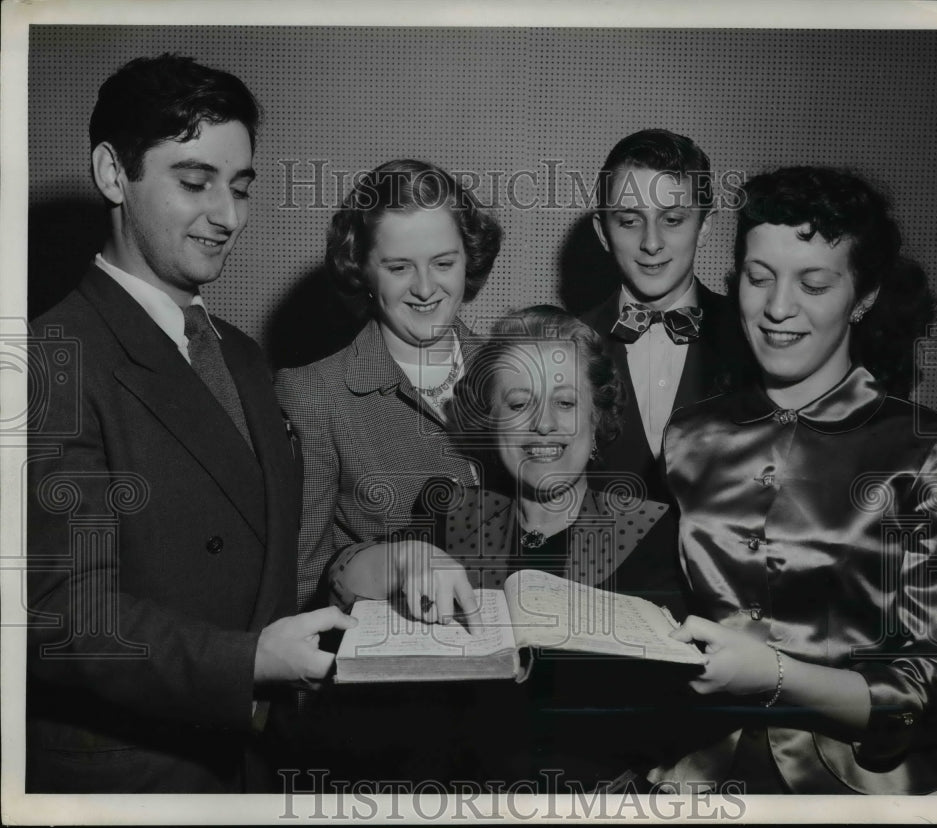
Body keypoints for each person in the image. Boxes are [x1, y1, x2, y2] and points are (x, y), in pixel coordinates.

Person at [25, 54, 356, 794]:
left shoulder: (238, 353)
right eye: (195, 182)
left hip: (248, 769)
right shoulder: (50, 361)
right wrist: (246, 664)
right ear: (114, 175)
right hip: (131, 782)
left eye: (240, 189)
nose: (229, 217)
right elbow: (58, 616)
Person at [648, 167, 937, 795]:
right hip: (707, 779)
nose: (776, 309)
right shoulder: (686, 436)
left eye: (814, 283)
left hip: (873, 791)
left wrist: (775, 674)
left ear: (864, 297)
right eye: (759, 276)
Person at [332, 306, 695, 787]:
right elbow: (342, 586)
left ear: (598, 420)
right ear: (493, 418)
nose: (543, 425)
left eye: (565, 404)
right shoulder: (451, 514)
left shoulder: (657, 532)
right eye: (520, 403)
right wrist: (405, 559)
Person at [274, 159, 502, 612]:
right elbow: (302, 580)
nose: (424, 288)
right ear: (362, 270)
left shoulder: (513, 367)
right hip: (397, 668)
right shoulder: (313, 394)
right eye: (399, 267)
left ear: (468, 259)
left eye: (443, 263)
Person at [582, 128, 732, 503]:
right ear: (603, 232)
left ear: (705, 225)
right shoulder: (569, 343)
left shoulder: (752, 338)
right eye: (630, 221)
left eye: (673, 220)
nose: (651, 243)